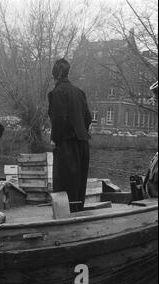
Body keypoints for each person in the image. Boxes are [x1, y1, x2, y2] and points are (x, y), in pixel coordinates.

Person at [48, 58, 92, 212]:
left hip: (66, 144)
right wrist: (80, 131)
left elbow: (59, 119)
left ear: (55, 76)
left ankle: (65, 219)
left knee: (64, 184)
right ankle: (78, 214)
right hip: (83, 144)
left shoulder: (58, 92)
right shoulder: (79, 92)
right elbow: (88, 117)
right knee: (79, 184)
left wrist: (54, 139)